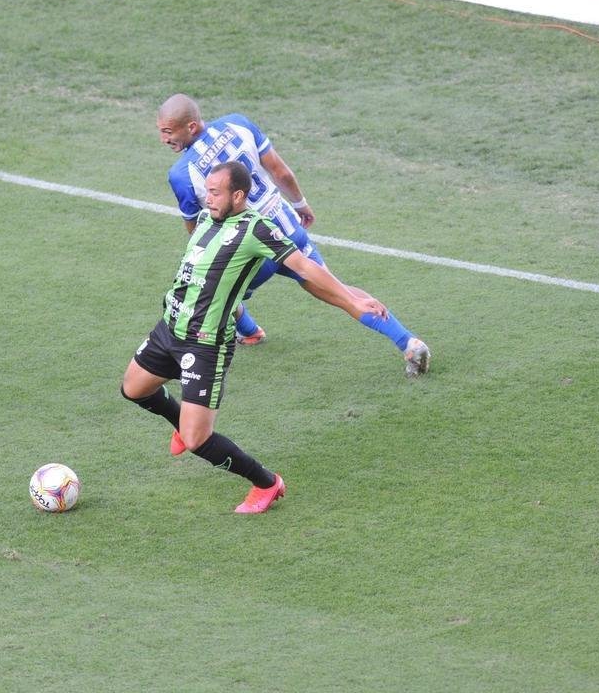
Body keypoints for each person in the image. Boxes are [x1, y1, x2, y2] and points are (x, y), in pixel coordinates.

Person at [121, 162, 391, 513]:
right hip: (168, 329)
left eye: (215, 192)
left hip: (205, 345)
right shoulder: (205, 219)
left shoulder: (257, 230)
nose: (208, 198)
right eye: (207, 191)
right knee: (134, 389)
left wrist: (352, 299)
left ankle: (266, 482)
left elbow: (305, 267)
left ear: (238, 195)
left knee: (197, 439)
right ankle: (182, 422)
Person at [157, 93, 430, 377]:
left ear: (190, 126)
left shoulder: (182, 174)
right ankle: (408, 342)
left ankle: (239, 335)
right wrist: (300, 204)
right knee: (342, 292)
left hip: (250, 251)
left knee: (214, 295)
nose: (164, 139)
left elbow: (199, 233)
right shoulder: (237, 123)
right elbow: (280, 172)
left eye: (167, 132)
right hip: (287, 229)